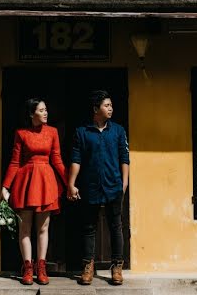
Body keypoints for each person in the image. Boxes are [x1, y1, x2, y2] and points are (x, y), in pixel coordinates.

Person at [1, 98, 67, 286]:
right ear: (31, 114)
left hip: (46, 181)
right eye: (41, 110)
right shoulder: (21, 133)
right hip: (26, 182)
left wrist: (69, 182)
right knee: (25, 227)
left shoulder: (52, 132)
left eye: (46, 109)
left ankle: (42, 267)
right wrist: (6, 186)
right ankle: (28, 268)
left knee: (43, 228)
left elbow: (57, 159)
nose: (46, 113)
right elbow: (15, 162)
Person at [67, 90, 129, 286]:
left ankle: (117, 266)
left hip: (113, 185)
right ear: (96, 109)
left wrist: (124, 182)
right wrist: (71, 183)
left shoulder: (118, 131)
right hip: (90, 186)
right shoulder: (82, 132)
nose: (110, 108)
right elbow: (76, 159)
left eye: (111, 105)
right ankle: (88, 266)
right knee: (89, 228)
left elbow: (124, 158)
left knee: (115, 227)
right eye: (106, 105)